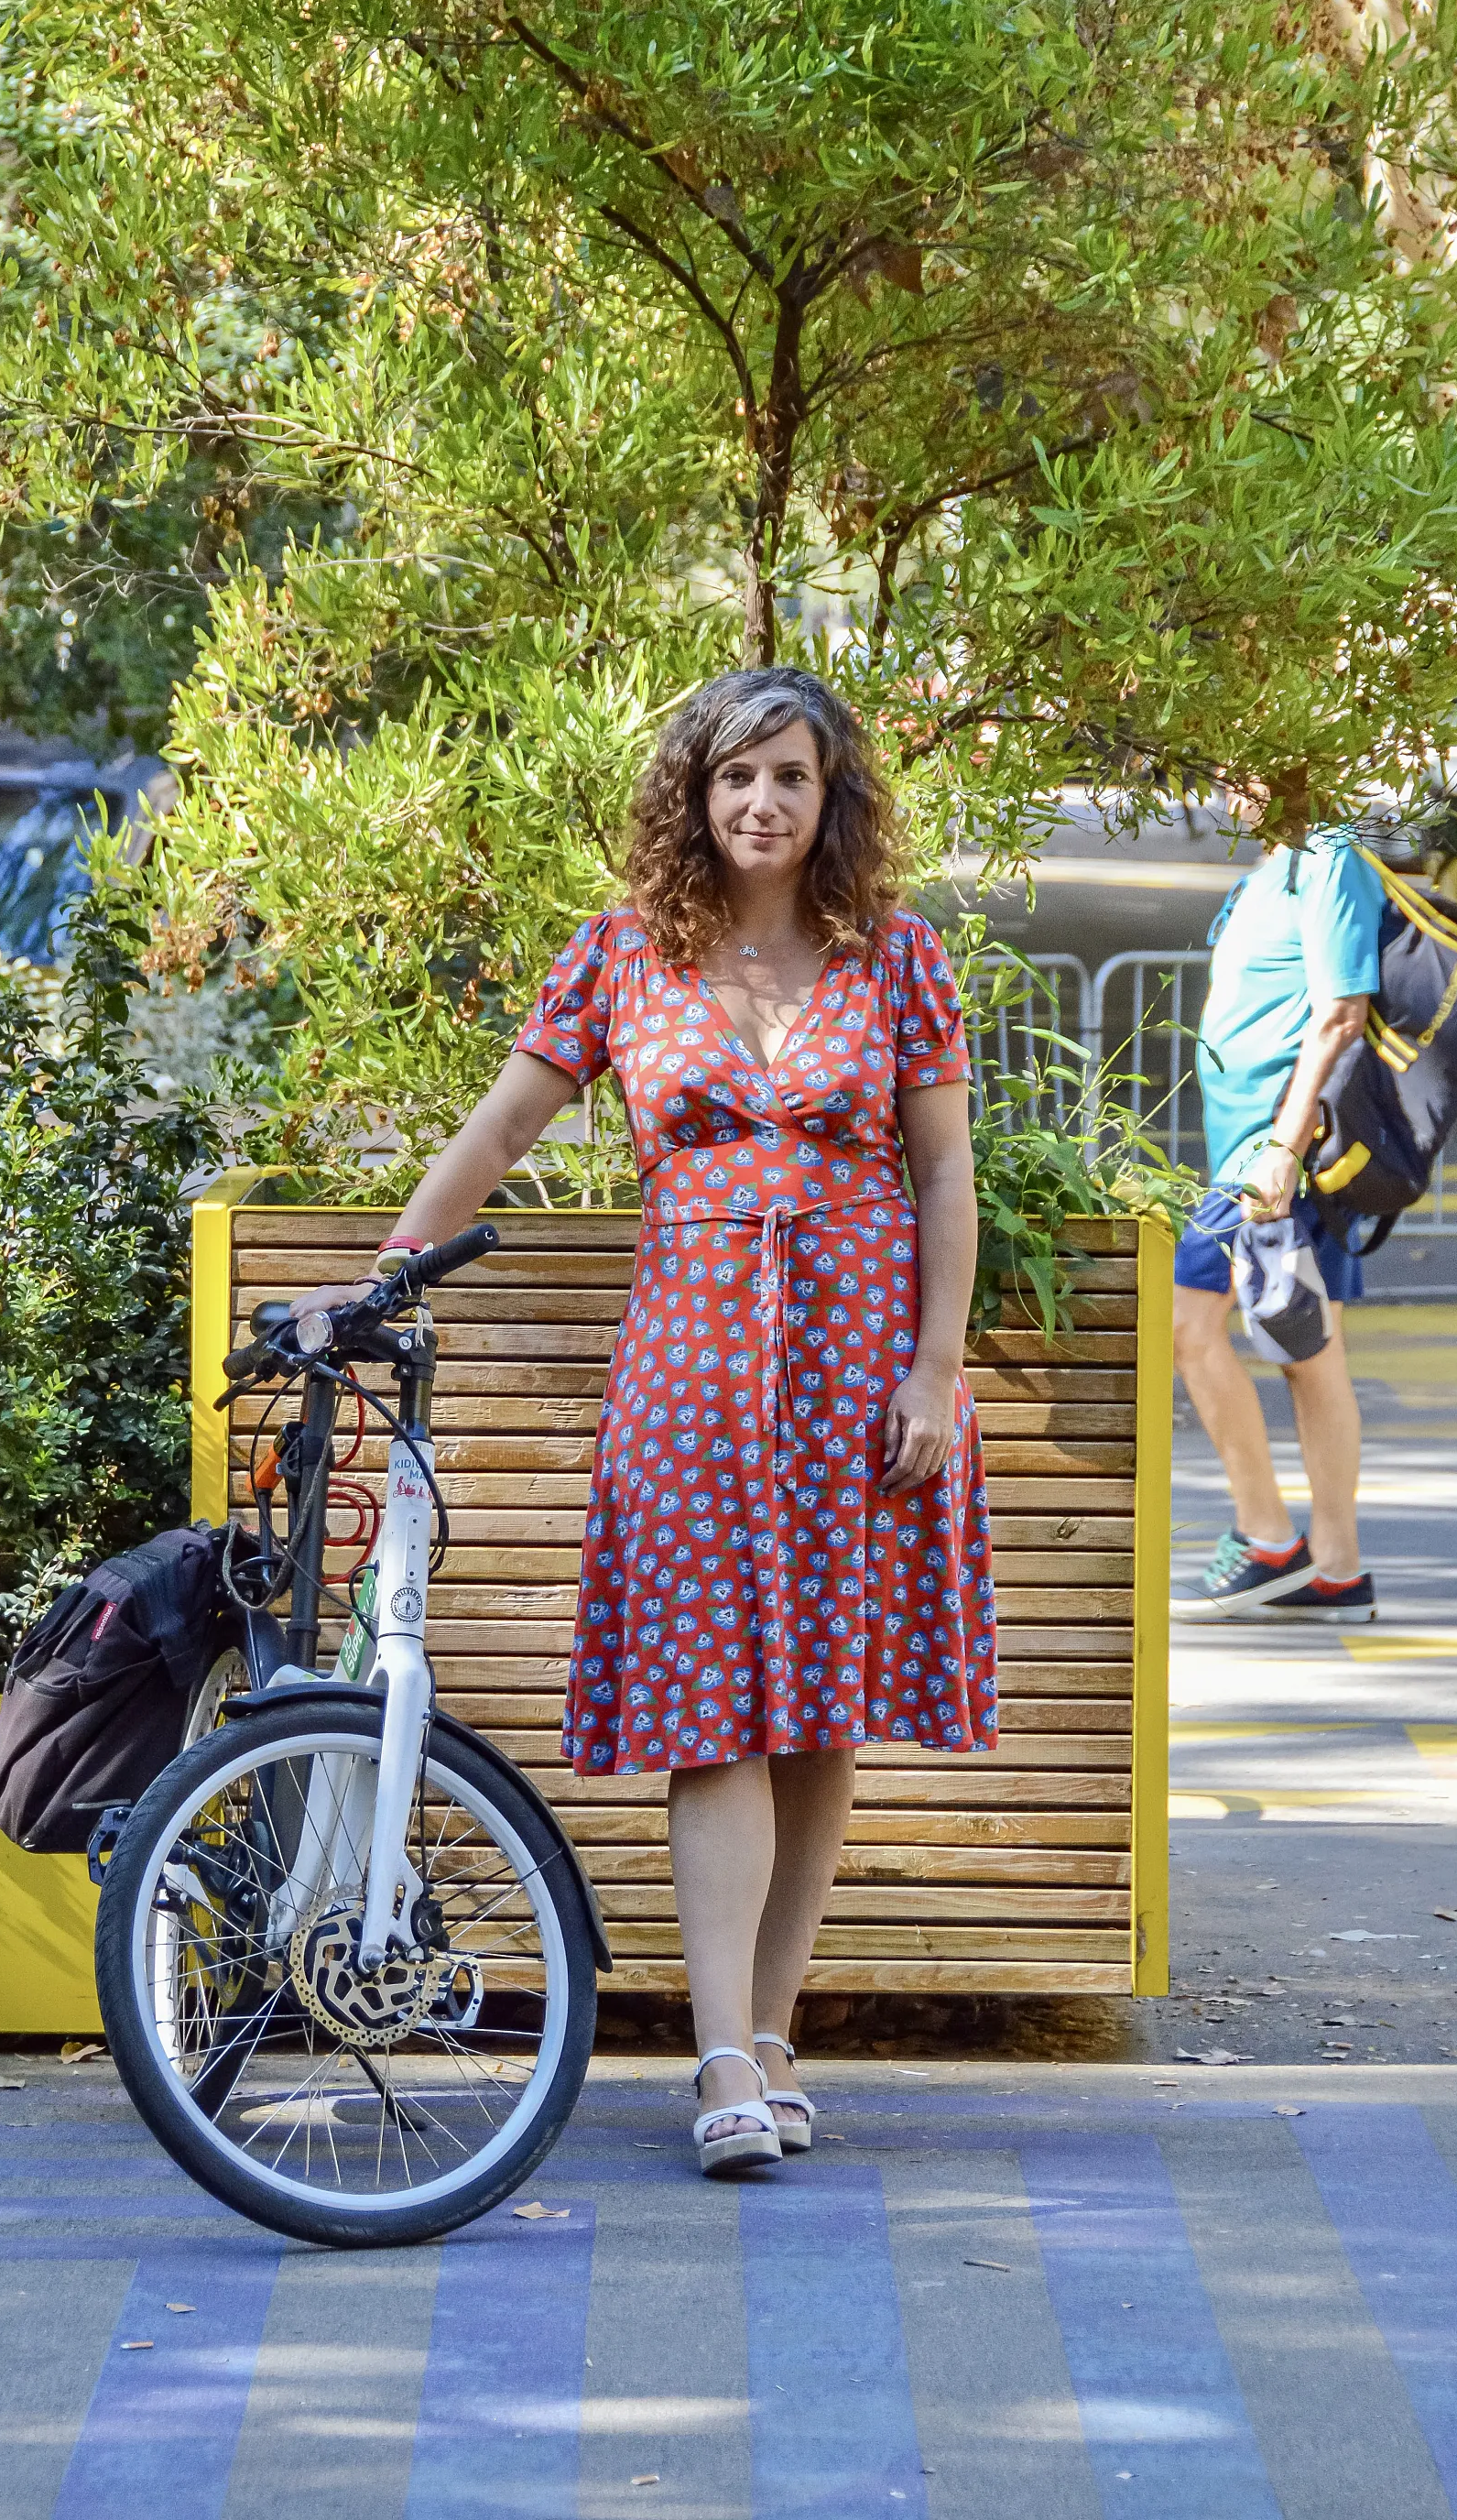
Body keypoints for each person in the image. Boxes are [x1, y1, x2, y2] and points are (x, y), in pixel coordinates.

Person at [295, 667, 996, 2175]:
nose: (761, 802)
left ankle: (780, 2027)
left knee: (822, 1713)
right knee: (716, 1708)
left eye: (790, 777)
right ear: (696, 794)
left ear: (831, 799)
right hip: (689, 1374)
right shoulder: (625, 953)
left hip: (857, 1368)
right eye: (734, 776)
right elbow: (497, 1130)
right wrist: (377, 1279)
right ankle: (723, 2052)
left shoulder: (899, 957)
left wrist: (936, 1367)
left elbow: (945, 1176)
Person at [1171, 808, 1385, 1621]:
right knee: (1305, 1345)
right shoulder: (1273, 865)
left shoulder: (1330, 857)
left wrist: (1286, 1149)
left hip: (1281, 1159)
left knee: (1221, 1332)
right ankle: (1329, 1565)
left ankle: (1284, 1546)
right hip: (1251, 1157)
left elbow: (1341, 1013)